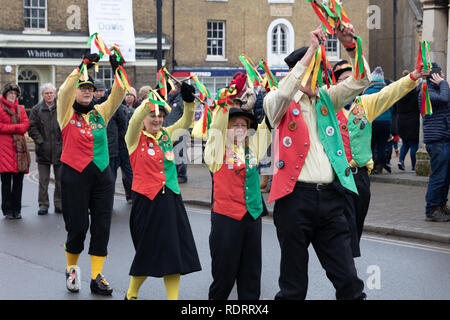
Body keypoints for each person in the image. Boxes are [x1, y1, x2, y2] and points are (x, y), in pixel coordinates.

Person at [263, 25, 370, 300]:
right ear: (298, 72)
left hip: (332, 199)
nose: (318, 77)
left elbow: (360, 81)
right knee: (293, 286)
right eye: (311, 69)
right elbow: (286, 93)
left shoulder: (327, 99)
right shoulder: (277, 101)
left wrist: (352, 45)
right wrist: (310, 51)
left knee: (349, 281)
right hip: (294, 199)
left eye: (319, 70)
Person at [333, 59, 429, 258]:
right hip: (336, 179)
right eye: (344, 80)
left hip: (360, 179)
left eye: (353, 80)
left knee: (354, 231)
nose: (349, 84)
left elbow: (390, 93)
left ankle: (346, 273)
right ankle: (349, 281)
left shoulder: (364, 104)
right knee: (343, 232)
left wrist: (412, 77)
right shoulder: (327, 109)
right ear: (335, 84)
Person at [124, 82, 201, 300]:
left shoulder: (167, 134)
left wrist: (188, 102)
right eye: (152, 116)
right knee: (147, 252)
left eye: (159, 115)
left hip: (170, 201)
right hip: (146, 202)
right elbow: (134, 120)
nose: (157, 119)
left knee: (173, 253)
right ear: (144, 119)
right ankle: (132, 293)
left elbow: (186, 121)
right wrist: (151, 100)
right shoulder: (133, 139)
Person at [57, 53, 126, 295]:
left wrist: (117, 69)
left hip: (101, 176)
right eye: (83, 88)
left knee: (102, 226)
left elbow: (118, 94)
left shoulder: (100, 112)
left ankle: (96, 277)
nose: (87, 91)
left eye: (90, 88)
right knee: (77, 227)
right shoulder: (66, 113)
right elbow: (65, 90)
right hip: (74, 174)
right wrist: (81, 67)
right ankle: (72, 270)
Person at [204, 101, 271, 300]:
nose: (241, 129)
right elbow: (215, 127)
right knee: (224, 275)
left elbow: (268, 124)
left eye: (244, 125)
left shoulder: (252, 150)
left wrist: (272, 97)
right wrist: (225, 104)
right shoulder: (216, 152)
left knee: (251, 276)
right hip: (226, 219)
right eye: (235, 125)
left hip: (252, 217)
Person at [420, 63, 450, 222]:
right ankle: (431, 208)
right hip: (436, 140)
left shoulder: (438, 88)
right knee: (439, 176)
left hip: (444, 138)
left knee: (446, 176)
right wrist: (443, 84)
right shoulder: (426, 92)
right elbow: (445, 99)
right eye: (441, 74)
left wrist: (443, 85)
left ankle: (441, 205)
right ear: (435, 76)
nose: (444, 76)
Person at [28, 83, 62, 215]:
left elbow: (66, 125)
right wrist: (40, 141)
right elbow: (32, 127)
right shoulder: (36, 110)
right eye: (46, 93)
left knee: (60, 181)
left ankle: (59, 204)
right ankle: (43, 205)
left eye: (51, 93)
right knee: (43, 181)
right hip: (43, 151)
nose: (49, 95)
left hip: (60, 150)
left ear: (55, 94)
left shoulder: (62, 108)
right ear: (42, 95)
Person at [0, 83, 30, 220]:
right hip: (4, 150)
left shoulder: (20, 109)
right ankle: (7, 210)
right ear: (5, 95)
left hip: (19, 151)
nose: (12, 96)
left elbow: (25, 125)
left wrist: (11, 127)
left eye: (14, 94)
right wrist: (15, 128)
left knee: (18, 183)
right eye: (10, 93)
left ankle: (16, 210)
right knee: (6, 183)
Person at [366, 67, 392, 174]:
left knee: (370, 145)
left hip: (372, 122)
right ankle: (380, 165)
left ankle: (371, 167)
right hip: (386, 122)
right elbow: (392, 107)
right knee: (382, 145)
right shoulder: (388, 91)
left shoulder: (367, 91)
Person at [163, 83, 189, 184]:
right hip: (168, 130)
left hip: (178, 130)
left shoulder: (180, 99)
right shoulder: (169, 99)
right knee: (170, 153)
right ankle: (173, 174)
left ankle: (182, 175)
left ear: (176, 88)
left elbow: (185, 114)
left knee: (180, 152)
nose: (168, 90)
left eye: (170, 88)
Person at [397, 70, 420, 172]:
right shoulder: (415, 92)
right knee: (414, 144)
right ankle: (413, 166)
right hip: (413, 121)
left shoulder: (399, 93)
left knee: (405, 143)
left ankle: (401, 160)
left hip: (401, 120)